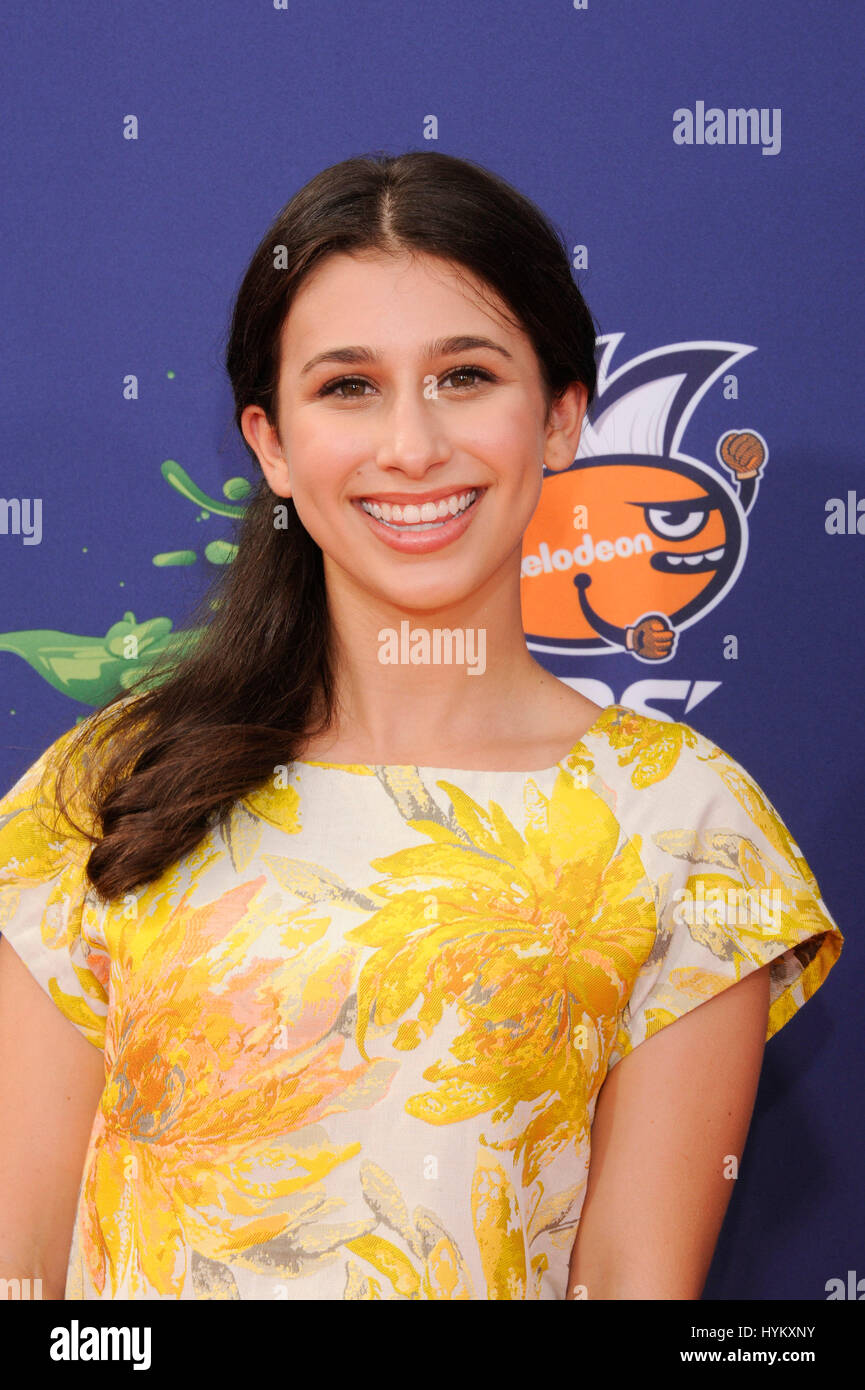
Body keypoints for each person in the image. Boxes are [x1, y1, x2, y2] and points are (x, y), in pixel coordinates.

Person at [0, 151, 843, 1301]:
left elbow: (635, 1284)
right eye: (348, 386)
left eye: (464, 376)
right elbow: (23, 1266)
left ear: (560, 418)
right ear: (272, 446)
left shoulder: (685, 826)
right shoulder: (108, 786)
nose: (411, 446)